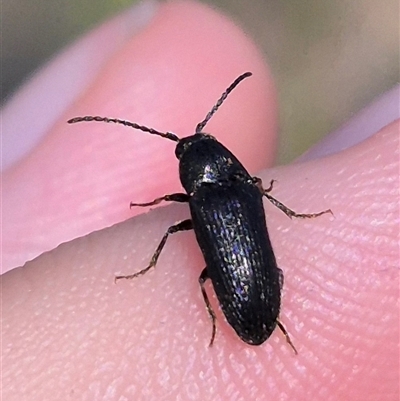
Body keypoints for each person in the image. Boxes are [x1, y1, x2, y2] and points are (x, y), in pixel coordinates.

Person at [2, 2, 399, 400]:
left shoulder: (205, 201)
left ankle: (205, 306)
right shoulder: (246, 187)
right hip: (256, 295)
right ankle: (222, 314)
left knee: (202, 273)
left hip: (246, 302)